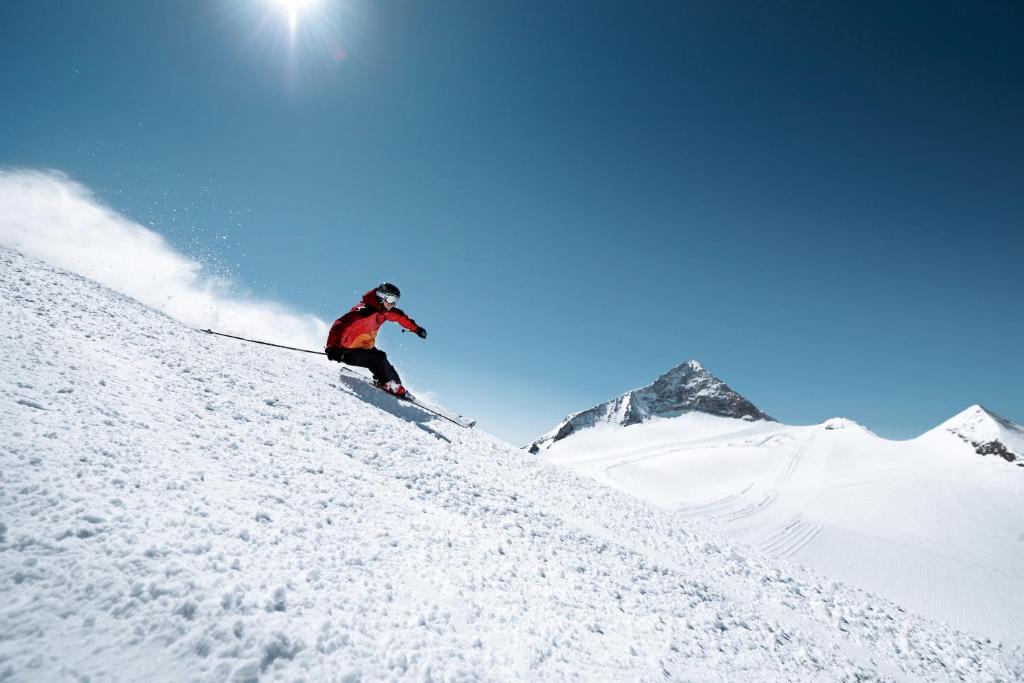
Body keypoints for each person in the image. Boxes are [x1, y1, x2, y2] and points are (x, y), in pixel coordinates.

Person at [324, 282, 427, 398]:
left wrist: (417, 329)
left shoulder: (385, 311)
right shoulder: (364, 310)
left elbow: (401, 317)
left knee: (385, 363)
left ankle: (395, 385)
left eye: (395, 301)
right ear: (381, 296)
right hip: (346, 351)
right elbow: (341, 324)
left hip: (363, 348)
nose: (393, 304)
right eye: (391, 299)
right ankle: (390, 384)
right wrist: (332, 347)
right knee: (379, 359)